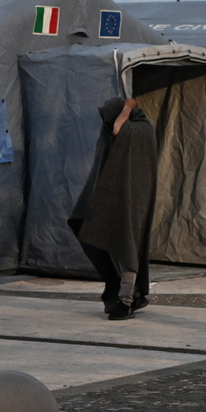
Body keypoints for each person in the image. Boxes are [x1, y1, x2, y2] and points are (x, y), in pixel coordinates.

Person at [68, 98, 157, 320]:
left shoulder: (141, 129)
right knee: (111, 243)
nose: (107, 125)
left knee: (126, 248)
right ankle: (131, 294)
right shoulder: (118, 130)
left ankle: (126, 301)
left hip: (134, 201)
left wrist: (128, 105)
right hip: (114, 199)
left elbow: (119, 129)